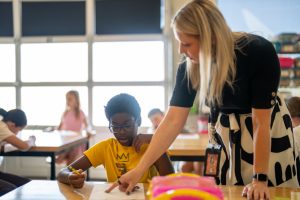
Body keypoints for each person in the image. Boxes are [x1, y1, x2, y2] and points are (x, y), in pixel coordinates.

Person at [107, 0, 299, 198]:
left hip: (266, 127)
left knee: (270, 192)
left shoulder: (258, 52)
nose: (181, 50)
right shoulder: (189, 66)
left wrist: (260, 178)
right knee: (229, 190)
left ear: (210, 38)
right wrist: (139, 170)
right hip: (224, 130)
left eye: (187, 43)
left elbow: (260, 122)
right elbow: (172, 120)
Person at [57, 93, 174, 189]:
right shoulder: (106, 147)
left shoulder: (150, 146)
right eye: (115, 127)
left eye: (127, 125)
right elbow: (64, 171)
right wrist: (70, 177)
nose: (121, 132)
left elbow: (171, 180)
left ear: (138, 121)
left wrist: (155, 139)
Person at [147, 108, 203, 175]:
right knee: (185, 167)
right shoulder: (152, 131)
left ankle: (198, 179)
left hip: (184, 153)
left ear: (163, 116)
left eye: (156, 119)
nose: (154, 123)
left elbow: (191, 135)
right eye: (152, 121)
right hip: (171, 157)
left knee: (197, 159)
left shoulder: (174, 126)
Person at [0, 108, 36, 196]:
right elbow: (23, 146)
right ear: (12, 125)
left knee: (27, 183)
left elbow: (3, 147)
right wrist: (31, 140)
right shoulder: (2, 127)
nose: (16, 133)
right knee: (9, 189)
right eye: (19, 130)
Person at [56, 90, 90, 165]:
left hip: (76, 143)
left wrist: (88, 133)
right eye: (67, 99)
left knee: (72, 152)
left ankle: (68, 170)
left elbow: (87, 127)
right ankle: (66, 169)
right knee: (62, 155)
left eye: (70, 99)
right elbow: (59, 128)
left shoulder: (81, 113)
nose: (68, 101)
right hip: (66, 142)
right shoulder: (65, 113)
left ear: (76, 100)